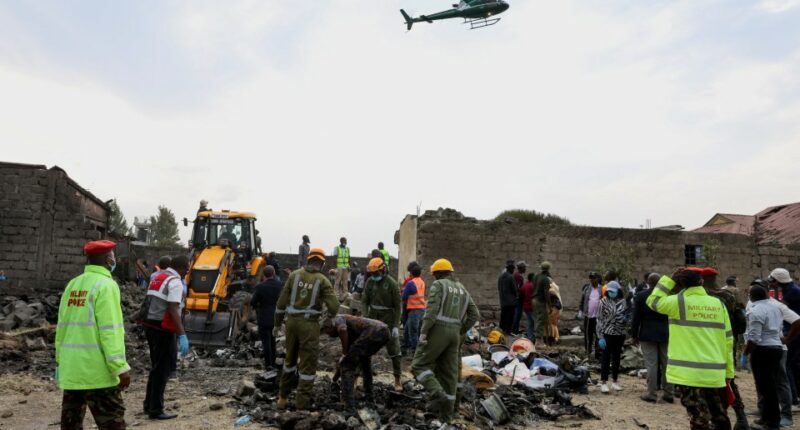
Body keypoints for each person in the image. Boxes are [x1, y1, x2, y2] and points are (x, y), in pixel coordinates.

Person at [647, 267, 734, 430]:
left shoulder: (677, 303)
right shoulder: (718, 304)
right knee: (719, 415)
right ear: (701, 281)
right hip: (714, 373)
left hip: (689, 375)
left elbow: (653, 300)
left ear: (680, 284)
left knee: (699, 418)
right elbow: (728, 341)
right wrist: (729, 372)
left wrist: (669, 280)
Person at [56, 240, 130, 430]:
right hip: (98, 373)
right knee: (112, 423)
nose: (114, 259)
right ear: (107, 260)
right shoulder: (106, 285)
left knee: (71, 424)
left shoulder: (73, 284)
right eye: (112, 256)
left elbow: (62, 326)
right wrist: (120, 367)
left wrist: (60, 360)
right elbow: (110, 330)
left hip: (72, 369)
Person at [411, 259, 480, 423]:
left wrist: (424, 332)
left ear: (439, 273)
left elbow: (431, 312)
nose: (434, 277)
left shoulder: (439, 285)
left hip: (438, 330)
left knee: (419, 365)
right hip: (455, 334)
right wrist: (461, 329)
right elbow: (474, 314)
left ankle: (436, 392)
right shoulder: (462, 288)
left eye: (435, 274)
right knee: (450, 375)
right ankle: (447, 417)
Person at [274, 248, 340, 410]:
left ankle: (282, 398)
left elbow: (281, 303)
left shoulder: (294, 275)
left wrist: (277, 324)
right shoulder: (323, 280)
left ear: (308, 260)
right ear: (322, 263)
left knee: (289, 361)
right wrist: (328, 317)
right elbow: (334, 307)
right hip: (309, 326)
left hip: (291, 324)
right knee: (307, 365)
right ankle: (302, 406)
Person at [140, 255, 190, 420]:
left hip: (150, 326)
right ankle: (156, 409)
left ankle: (149, 404)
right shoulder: (175, 282)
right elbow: (173, 308)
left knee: (156, 367)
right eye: (187, 268)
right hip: (163, 329)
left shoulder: (159, 277)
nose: (188, 271)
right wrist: (182, 334)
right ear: (180, 267)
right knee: (162, 370)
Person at [746, 279, 800, 427]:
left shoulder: (777, 305)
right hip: (763, 347)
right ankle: (764, 413)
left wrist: (787, 339)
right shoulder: (754, 304)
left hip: (771, 348)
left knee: (779, 383)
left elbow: (797, 320)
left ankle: (785, 415)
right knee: (763, 384)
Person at [703, 267, 749, 430]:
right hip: (729, 340)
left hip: (709, 342)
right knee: (729, 381)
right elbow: (740, 317)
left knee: (709, 382)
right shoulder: (728, 296)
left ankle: (715, 418)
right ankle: (741, 418)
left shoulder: (704, 296)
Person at [322, 314, 390, 414]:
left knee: (347, 366)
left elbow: (342, 330)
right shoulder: (352, 333)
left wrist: (344, 353)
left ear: (329, 326)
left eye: (327, 332)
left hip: (374, 331)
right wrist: (334, 380)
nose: (329, 335)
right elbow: (344, 359)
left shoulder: (338, 319)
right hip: (384, 332)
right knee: (365, 362)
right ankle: (369, 400)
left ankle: (349, 408)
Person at [743, 284, 785, 430]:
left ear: (751, 297)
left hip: (763, 350)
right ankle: (766, 417)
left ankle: (772, 423)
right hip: (776, 348)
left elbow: (754, 337)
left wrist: (745, 353)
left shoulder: (756, 311)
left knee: (766, 388)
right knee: (769, 385)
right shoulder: (776, 308)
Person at [632, 273, 674, 403]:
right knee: (667, 364)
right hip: (665, 333)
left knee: (651, 365)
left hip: (647, 334)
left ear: (648, 282)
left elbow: (636, 318)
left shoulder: (641, 296)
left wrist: (634, 335)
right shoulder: (668, 296)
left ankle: (651, 393)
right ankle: (669, 393)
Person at [362, 257, 403, 391]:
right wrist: (365, 317)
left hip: (388, 320)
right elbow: (364, 301)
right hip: (373, 319)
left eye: (376, 273)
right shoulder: (370, 282)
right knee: (364, 348)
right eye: (372, 274)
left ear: (383, 270)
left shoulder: (392, 284)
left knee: (395, 351)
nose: (374, 276)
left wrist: (396, 326)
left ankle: (397, 379)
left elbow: (398, 306)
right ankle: (360, 377)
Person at [769, 268, 800, 406]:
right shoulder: (789, 289)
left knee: (788, 364)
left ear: (777, 280)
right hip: (792, 329)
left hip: (794, 331)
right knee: (793, 364)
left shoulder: (792, 291)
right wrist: (776, 290)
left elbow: (779, 306)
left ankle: (793, 397)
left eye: (772, 280)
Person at [596, 281, 627, 394]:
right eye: (609, 291)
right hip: (607, 333)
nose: (611, 293)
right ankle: (604, 382)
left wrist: (625, 319)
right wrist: (600, 336)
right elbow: (599, 319)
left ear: (618, 291)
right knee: (606, 357)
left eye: (613, 292)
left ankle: (615, 381)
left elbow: (626, 314)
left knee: (616, 358)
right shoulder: (603, 302)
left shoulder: (623, 302)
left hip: (620, 333)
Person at [250, 266, 282, 370]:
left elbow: (253, 302)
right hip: (276, 317)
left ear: (264, 274)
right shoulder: (279, 285)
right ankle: (273, 363)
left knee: (266, 342)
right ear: (274, 273)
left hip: (263, 317)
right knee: (273, 341)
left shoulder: (260, 287)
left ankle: (268, 365)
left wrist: (258, 306)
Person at [401, 262, 426, 356]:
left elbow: (404, 296)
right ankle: (404, 349)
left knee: (413, 332)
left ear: (411, 273)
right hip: (421, 309)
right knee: (408, 330)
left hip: (414, 310)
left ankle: (415, 352)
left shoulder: (411, 283)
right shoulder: (422, 282)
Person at [579, 272, 603, 359]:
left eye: (593, 278)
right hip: (588, 316)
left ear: (597, 279)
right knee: (588, 334)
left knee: (598, 334)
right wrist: (580, 310)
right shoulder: (587, 288)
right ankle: (588, 351)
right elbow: (582, 300)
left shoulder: (601, 289)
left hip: (598, 317)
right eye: (590, 278)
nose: (592, 280)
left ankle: (597, 352)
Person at [532, 262, 552, 348]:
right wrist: (550, 305)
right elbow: (546, 293)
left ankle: (539, 341)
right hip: (540, 301)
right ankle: (538, 342)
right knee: (541, 321)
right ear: (548, 270)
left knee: (537, 320)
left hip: (534, 300)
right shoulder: (545, 279)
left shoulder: (536, 276)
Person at [497, 260, 517, 335]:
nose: (513, 270)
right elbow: (514, 289)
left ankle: (501, 330)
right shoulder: (511, 277)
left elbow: (498, 288)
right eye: (513, 268)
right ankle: (508, 331)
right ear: (511, 268)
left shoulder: (500, 277)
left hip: (503, 301)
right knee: (510, 317)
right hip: (511, 302)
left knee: (503, 316)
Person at [511, 261, 527, 335]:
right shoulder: (518, 276)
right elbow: (518, 288)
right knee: (517, 314)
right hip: (518, 299)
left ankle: (515, 329)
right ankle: (514, 330)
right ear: (521, 268)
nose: (525, 269)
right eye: (525, 267)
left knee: (516, 314)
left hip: (516, 298)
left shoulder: (515, 274)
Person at [520, 273, 535, 342]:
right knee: (534, 322)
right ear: (532, 278)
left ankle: (530, 337)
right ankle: (533, 337)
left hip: (525, 306)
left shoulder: (524, 285)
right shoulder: (532, 285)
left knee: (529, 322)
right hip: (531, 306)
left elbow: (521, 295)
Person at [546, 279, 562, 345]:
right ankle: (556, 338)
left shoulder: (550, 291)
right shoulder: (554, 288)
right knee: (554, 324)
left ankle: (554, 338)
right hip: (556, 308)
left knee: (551, 324)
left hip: (554, 308)